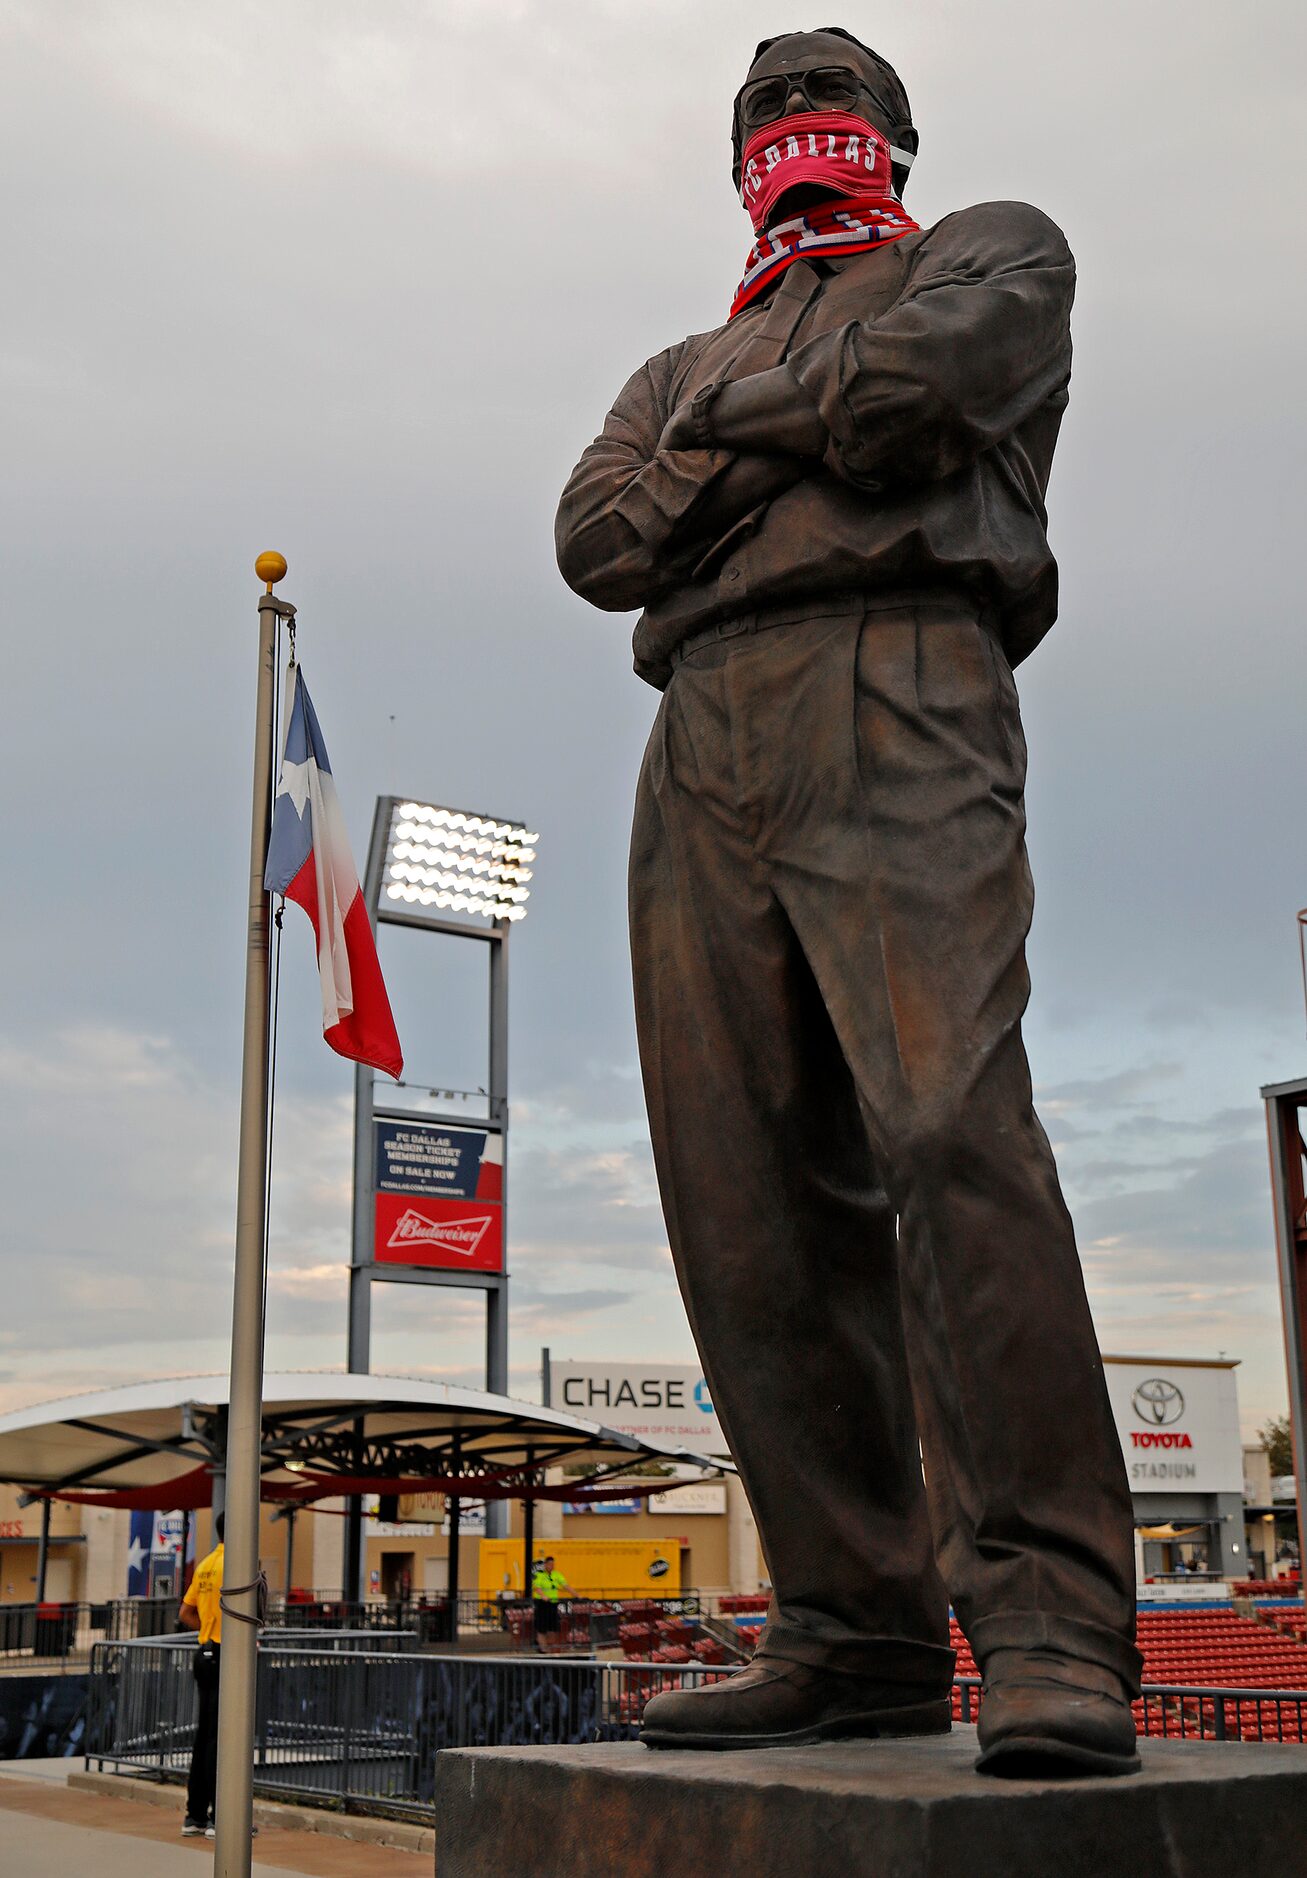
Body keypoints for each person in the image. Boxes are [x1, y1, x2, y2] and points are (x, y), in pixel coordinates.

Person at [556, 28, 1141, 1777]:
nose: (795, 142)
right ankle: (851, 1622)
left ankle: (1045, 1625)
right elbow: (596, 540)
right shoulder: (679, 352)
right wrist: (788, 422)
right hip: (700, 732)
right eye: (764, 127)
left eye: (827, 117)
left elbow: (927, 389)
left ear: (891, 137)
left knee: (949, 1123)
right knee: (737, 1190)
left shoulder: (991, 244)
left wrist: (717, 451)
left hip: (903, 673)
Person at [178, 1510, 224, 1835]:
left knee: (204, 1734)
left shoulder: (206, 1565)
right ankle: (220, 1818)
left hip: (204, 1653)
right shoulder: (236, 1565)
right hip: (227, 1656)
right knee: (224, 1739)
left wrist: (206, 1630)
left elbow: (185, 1612)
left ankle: (194, 1815)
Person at [531, 1555, 568, 1644]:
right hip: (542, 1604)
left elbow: (566, 1586)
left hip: (553, 1604)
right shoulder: (539, 1575)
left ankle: (550, 1647)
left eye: (553, 1564)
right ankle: (543, 1648)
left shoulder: (556, 1575)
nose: (551, 1566)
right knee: (541, 1628)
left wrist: (577, 1595)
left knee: (553, 1628)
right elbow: (537, 1587)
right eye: (549, 1564)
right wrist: (543, 1596)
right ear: (545, 1565)